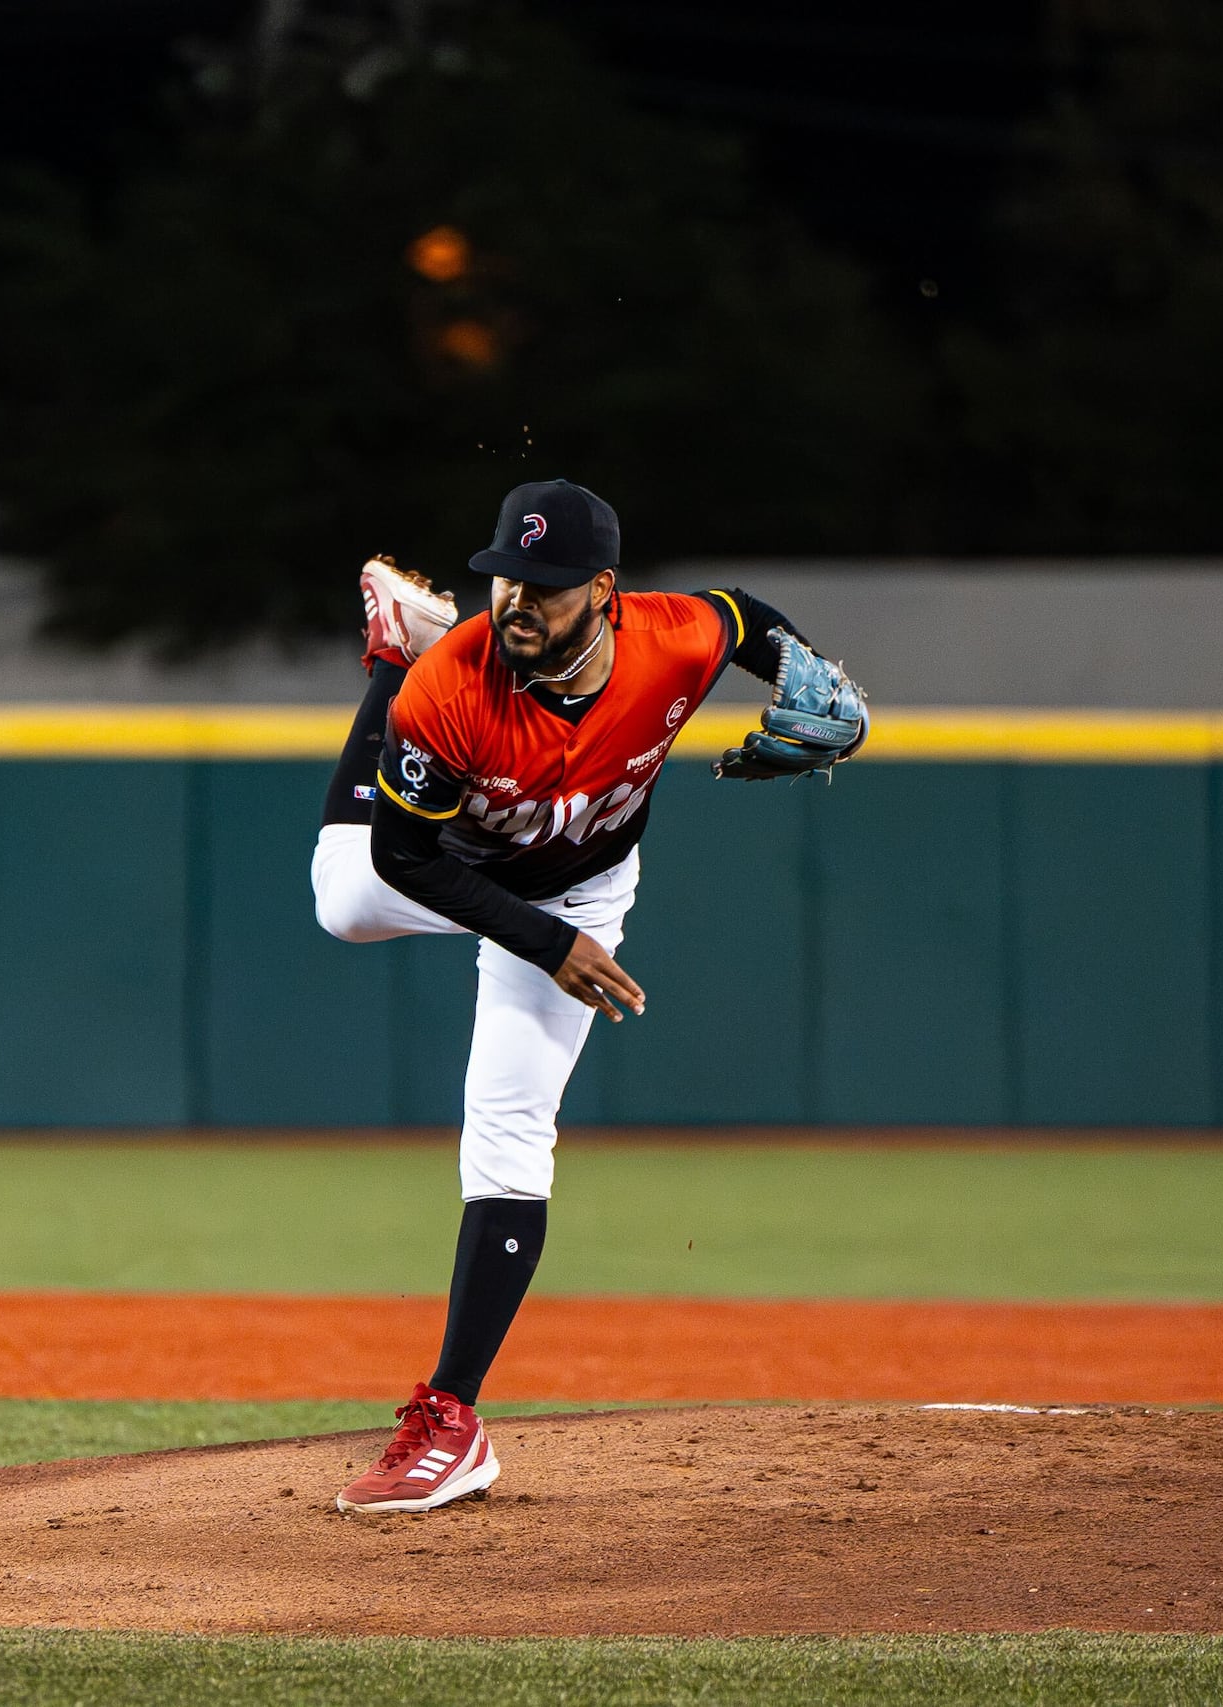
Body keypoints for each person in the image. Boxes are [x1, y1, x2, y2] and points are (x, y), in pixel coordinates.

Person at [312, 477, 865, 1514]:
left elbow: (741, 616)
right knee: (342, 901)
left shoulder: (670, 640)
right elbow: (407, 858)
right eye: (506, 579)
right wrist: (545, 942)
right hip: (475, 876)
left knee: (510, 1135)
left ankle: (452, 1419)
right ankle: (390, 652)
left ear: (603, 591)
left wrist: (807, 668)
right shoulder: (455, 686)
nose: (518, 602)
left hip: (583, 884)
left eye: (547, 587)